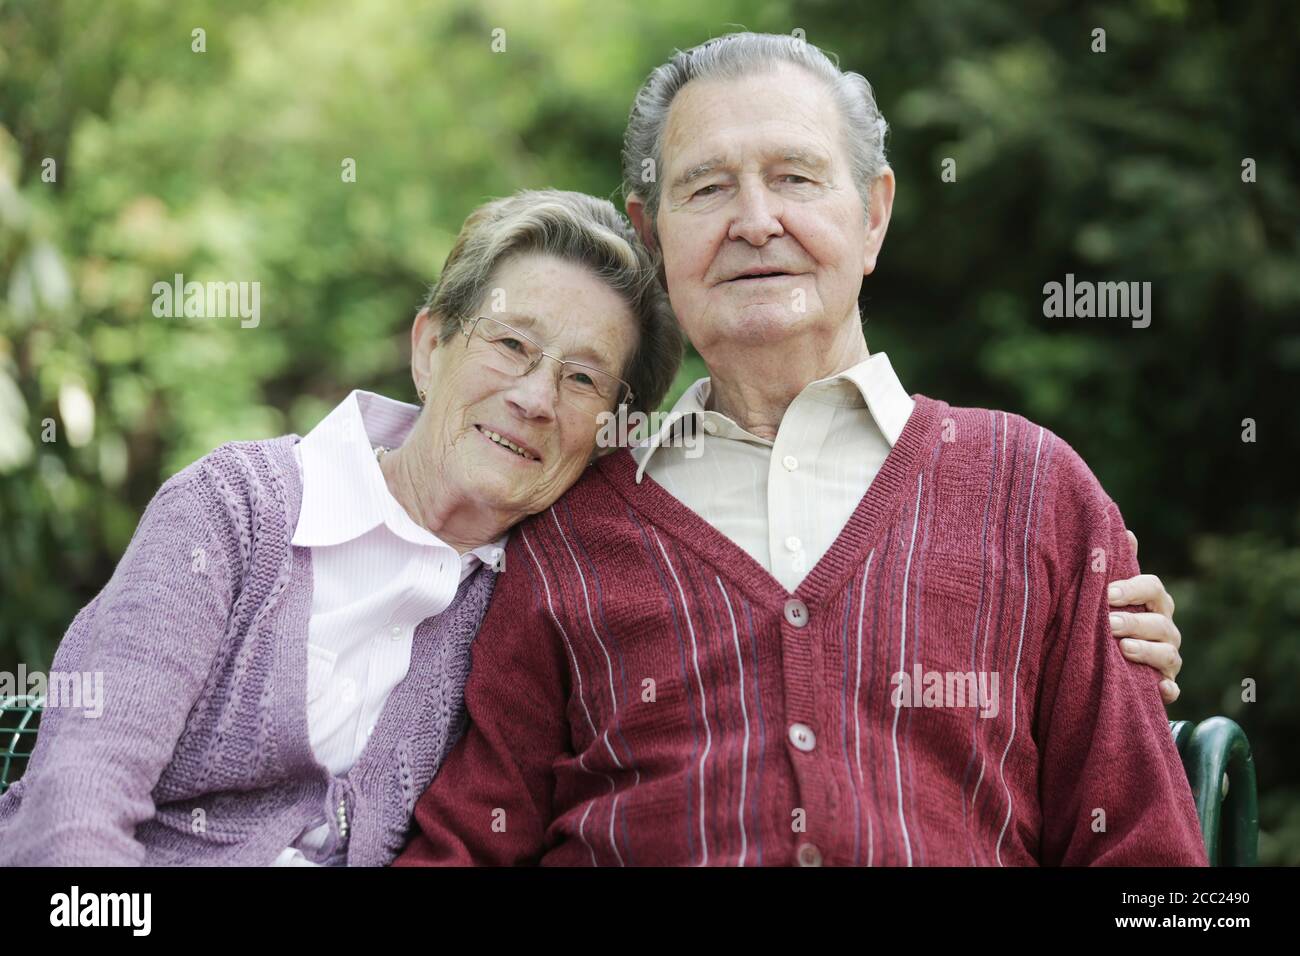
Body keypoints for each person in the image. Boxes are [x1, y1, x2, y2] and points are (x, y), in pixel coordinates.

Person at [395, 33, 1202, 866]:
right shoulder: (568, 528)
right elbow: (469, 843)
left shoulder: (1035, 488)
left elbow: (1149, 855)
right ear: (653, 236)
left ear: (873, 215)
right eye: (707, 188)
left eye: (796, 178)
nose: (754, 222)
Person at [0, 189, 682, 865]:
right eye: (510, 342)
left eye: (584, 379)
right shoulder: (231, 513)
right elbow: (74, 813)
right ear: (430, 348)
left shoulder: (538, 613)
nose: (535, 398)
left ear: (607, 438)